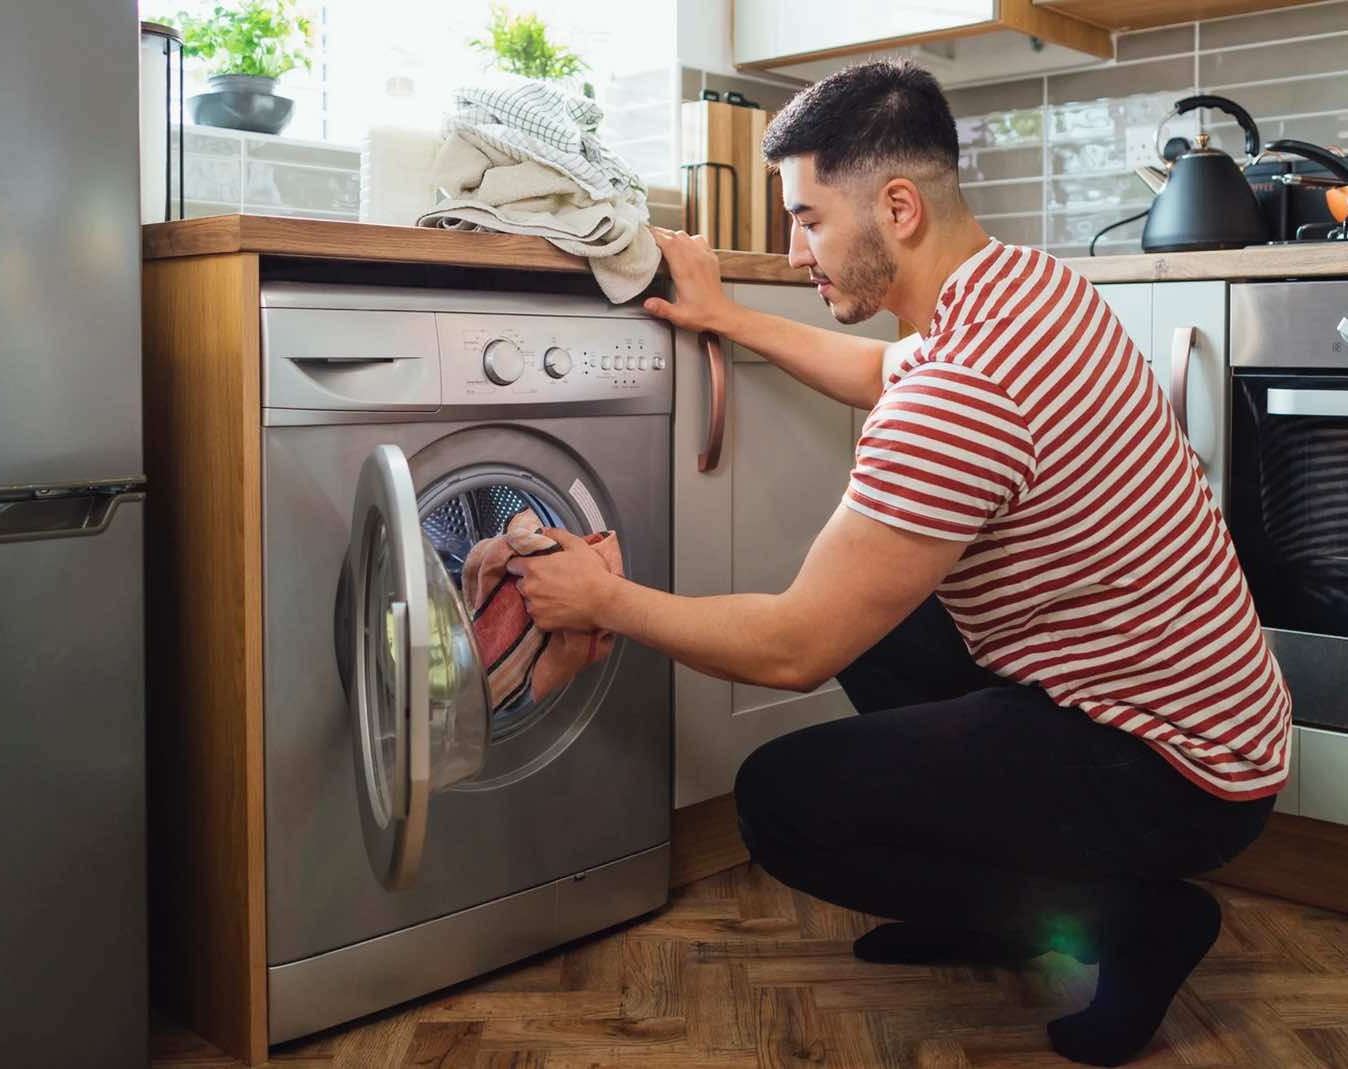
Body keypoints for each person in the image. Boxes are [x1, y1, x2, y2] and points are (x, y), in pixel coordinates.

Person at [505, 58, 1293, 1067]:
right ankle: (1000, 906)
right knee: (883, 623)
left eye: (808, 219)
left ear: (899, 207)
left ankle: (1129, 921)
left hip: (1177, 772)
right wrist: (727, 318)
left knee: (783, 803)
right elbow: (883, 369)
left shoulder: (965, 390)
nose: (795, 253)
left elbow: (791, 647)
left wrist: (604, 598)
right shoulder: (1024, 289)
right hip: (1206, 713)